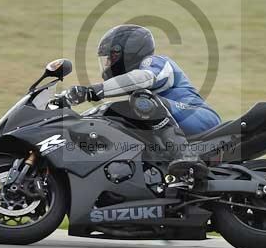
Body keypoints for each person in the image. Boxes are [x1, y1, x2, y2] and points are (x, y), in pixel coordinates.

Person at [64, 24, 221, 178]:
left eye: (110, 58)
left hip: (200, 116)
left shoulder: (155, 62)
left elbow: (143, 78)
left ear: (125, 53)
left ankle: (187, 156)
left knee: (142, 99)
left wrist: (92, 91)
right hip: (177, 122)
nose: (107, 64)